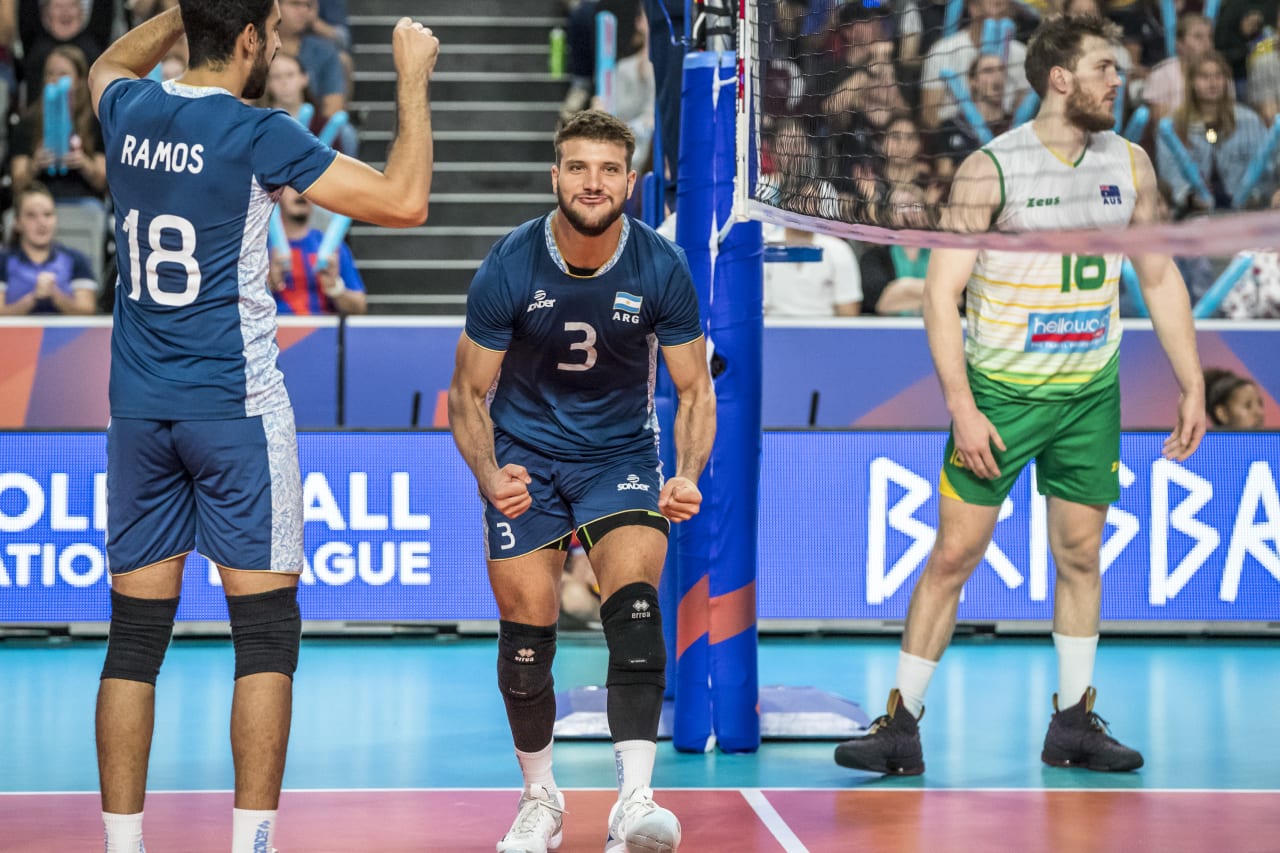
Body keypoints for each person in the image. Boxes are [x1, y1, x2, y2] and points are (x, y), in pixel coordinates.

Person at [87, 5, 438, 852]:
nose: (276, 41)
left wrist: (185, 9)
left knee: (135, 639)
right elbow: (405, 201)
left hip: (138, 411)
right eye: (271, 28)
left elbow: (103, 66)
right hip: (235, 411)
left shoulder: (129, 112)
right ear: (249, 40)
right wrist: (413, 79)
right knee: (267, 635)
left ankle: (121, 847)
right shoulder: (256, 131)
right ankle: (251, 843)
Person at [833, 14, 1206, 778]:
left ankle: (1073, 720)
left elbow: (1160, 276)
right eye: (1105, 68)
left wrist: (1193, 381)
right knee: (956, 552)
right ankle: (900, 723)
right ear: (1060, 78)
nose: (1117, 81)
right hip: (1001, 394)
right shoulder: (991, 169)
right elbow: (941, 298)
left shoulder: (1131, 163)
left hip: (1088, 393)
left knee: (1080, 555)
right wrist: (964, 407)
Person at [448, 109, 713, 853]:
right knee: (526, 644)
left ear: (631, 181)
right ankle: (542, 800)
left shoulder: (660, 264)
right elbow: (466, 392)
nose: (592, 183)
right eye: (577, 167)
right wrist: (488, 471)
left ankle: (635, 800)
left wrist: (687, 473)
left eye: (607, 169)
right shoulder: (511, 262)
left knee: (631, 608)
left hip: (620, 456)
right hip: (528, 459)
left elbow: (695, 390)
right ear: (554, 176)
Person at [1156, 51, 1274, 213]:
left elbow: (1266, 172)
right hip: (1192, 214)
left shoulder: (1250, 120)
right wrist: (1189, 197)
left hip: (1245, 211)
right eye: (1204, 77)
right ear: (1191, 82)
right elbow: (1169, 174)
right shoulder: (1173, 126)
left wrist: (1254, 195)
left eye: (1218, 76)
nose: (1212, 83)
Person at [10, 45, 108, 203]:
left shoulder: (95, 121)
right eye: (49, 74)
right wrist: (34, 165)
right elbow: (17, 183)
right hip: (39, 200)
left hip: (83, 201)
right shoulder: (28, 121)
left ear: (80, 80)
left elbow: (103, 182)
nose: (54, 79)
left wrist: (83, 163)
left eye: (63, 74)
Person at [0, 182, 97, 314]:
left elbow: (88, 311)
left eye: (47, 214)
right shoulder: (3, 261)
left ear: (56, 219)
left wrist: (55, 295)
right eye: (31, 215)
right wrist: (33, 298)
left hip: (67, 335)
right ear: (17, 222)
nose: (41, 222)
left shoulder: (77, 259)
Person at [269, 186, 367, 315]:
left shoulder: (335, 249)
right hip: (276, 332)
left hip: (324, 333)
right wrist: (269, 283)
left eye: (306, 187)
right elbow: (238, 307)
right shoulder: (257, 248)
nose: (300, 192)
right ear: (277, 194)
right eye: (292, 187)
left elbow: (359, 309)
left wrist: (335, 288)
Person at [762, 224, 862, 316]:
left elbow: (848, 311)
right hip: (775, 327)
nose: (802, 208)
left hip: (825, 328)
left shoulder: (839, 249)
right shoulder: (762, 248)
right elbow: (759, 308)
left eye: (809, 203)